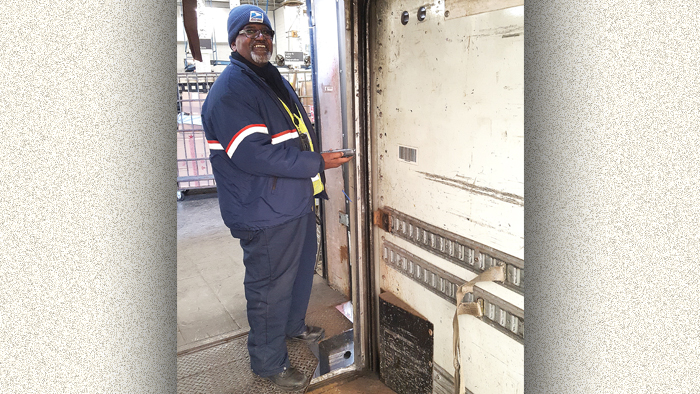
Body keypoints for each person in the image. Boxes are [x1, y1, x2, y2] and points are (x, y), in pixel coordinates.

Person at [201, 4, 353, 391]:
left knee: (301, 269)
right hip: (263, 209)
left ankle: (292, 326)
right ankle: (268, 362)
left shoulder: (267, 77)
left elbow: (293, 131)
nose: (261, 39)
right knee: (270, 286)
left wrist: (312, 167)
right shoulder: (232, 90)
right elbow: (253, 153)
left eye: (266, 33)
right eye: (250, 33)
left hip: (291, 199)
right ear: (234, 40)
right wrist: (317, 161)